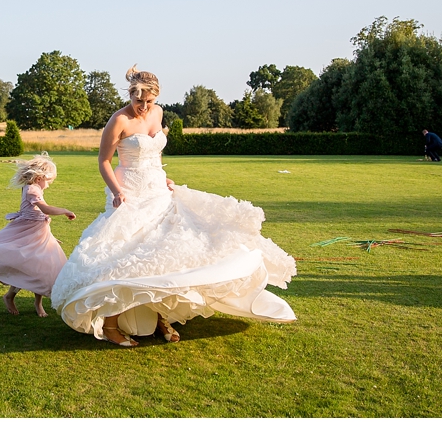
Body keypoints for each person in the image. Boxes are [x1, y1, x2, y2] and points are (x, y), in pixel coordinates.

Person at [50, 66, 297, 347]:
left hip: (158, 190)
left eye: (149, 102)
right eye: (138, 102)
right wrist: (117, 192)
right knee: (125, 255)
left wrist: (161, 174)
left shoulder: (158, 113)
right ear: (130, 96)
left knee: (163, 253)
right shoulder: (118, 120)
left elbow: (154, 152)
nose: (144, 108)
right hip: (129, 193)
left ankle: (158, 317)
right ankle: (110, 324)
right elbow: (103, 161)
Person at [0, 153, 76, 317]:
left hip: (39, 236)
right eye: (49, 181)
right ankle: (10, 296)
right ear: (39, 178)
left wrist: (50, 237)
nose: (49, 185)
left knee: (43, 268)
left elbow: (40, 220)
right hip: (25, 235)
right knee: (25, 266)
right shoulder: (31, 190)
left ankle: (38, 303)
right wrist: (64, 211)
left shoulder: (35, 188)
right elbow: (45, 210)